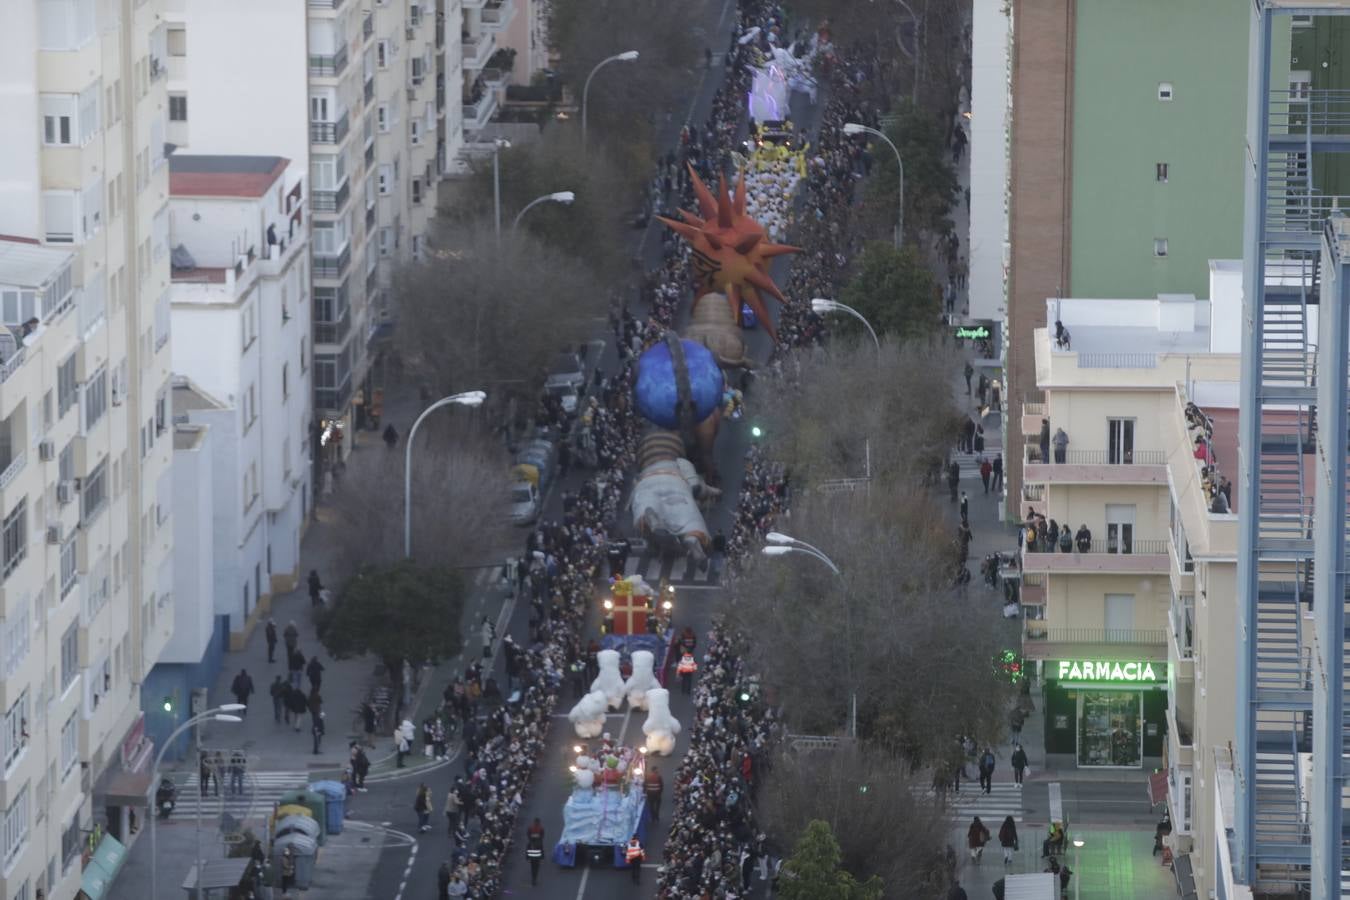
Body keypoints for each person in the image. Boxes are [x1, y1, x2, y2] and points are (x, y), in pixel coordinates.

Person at [526, 817, 545, 885]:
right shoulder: (541, 828)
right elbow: (542, 836)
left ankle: (533, 878)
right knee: (537, 866)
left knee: (532, 866)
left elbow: (528, 835)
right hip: (538, 847)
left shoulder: (530, 828)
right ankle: (534, 879)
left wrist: (531, 839)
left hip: (531, 847)